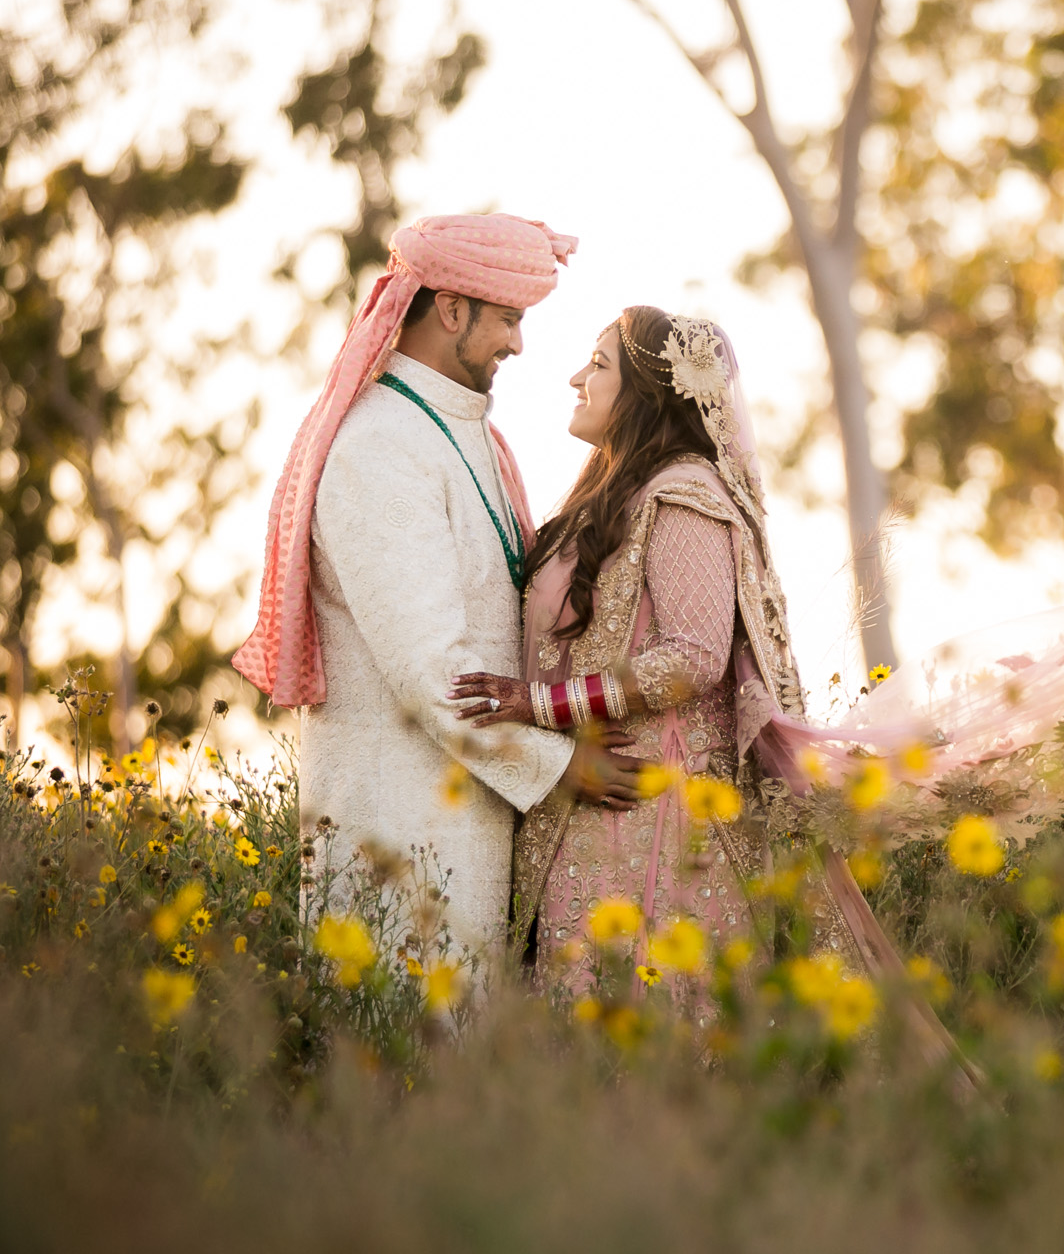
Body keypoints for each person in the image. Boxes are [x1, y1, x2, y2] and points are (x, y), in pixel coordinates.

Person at [450, 307, 909, 1007]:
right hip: (590, 812)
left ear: (648, 393)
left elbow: (693, 657)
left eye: (599, 365)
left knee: (648, 1040)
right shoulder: (608, 499)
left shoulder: (686, 495)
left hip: (659, 823)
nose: (577, 377)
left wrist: (534, 703)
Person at [234, 214, 645, 966]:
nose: (519, 344)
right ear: (451, 308)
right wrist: (559, 768)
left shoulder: (473, 436)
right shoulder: (379, 445)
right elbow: (432, 670)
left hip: (473, 825)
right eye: (509, 319)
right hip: (395, 835)